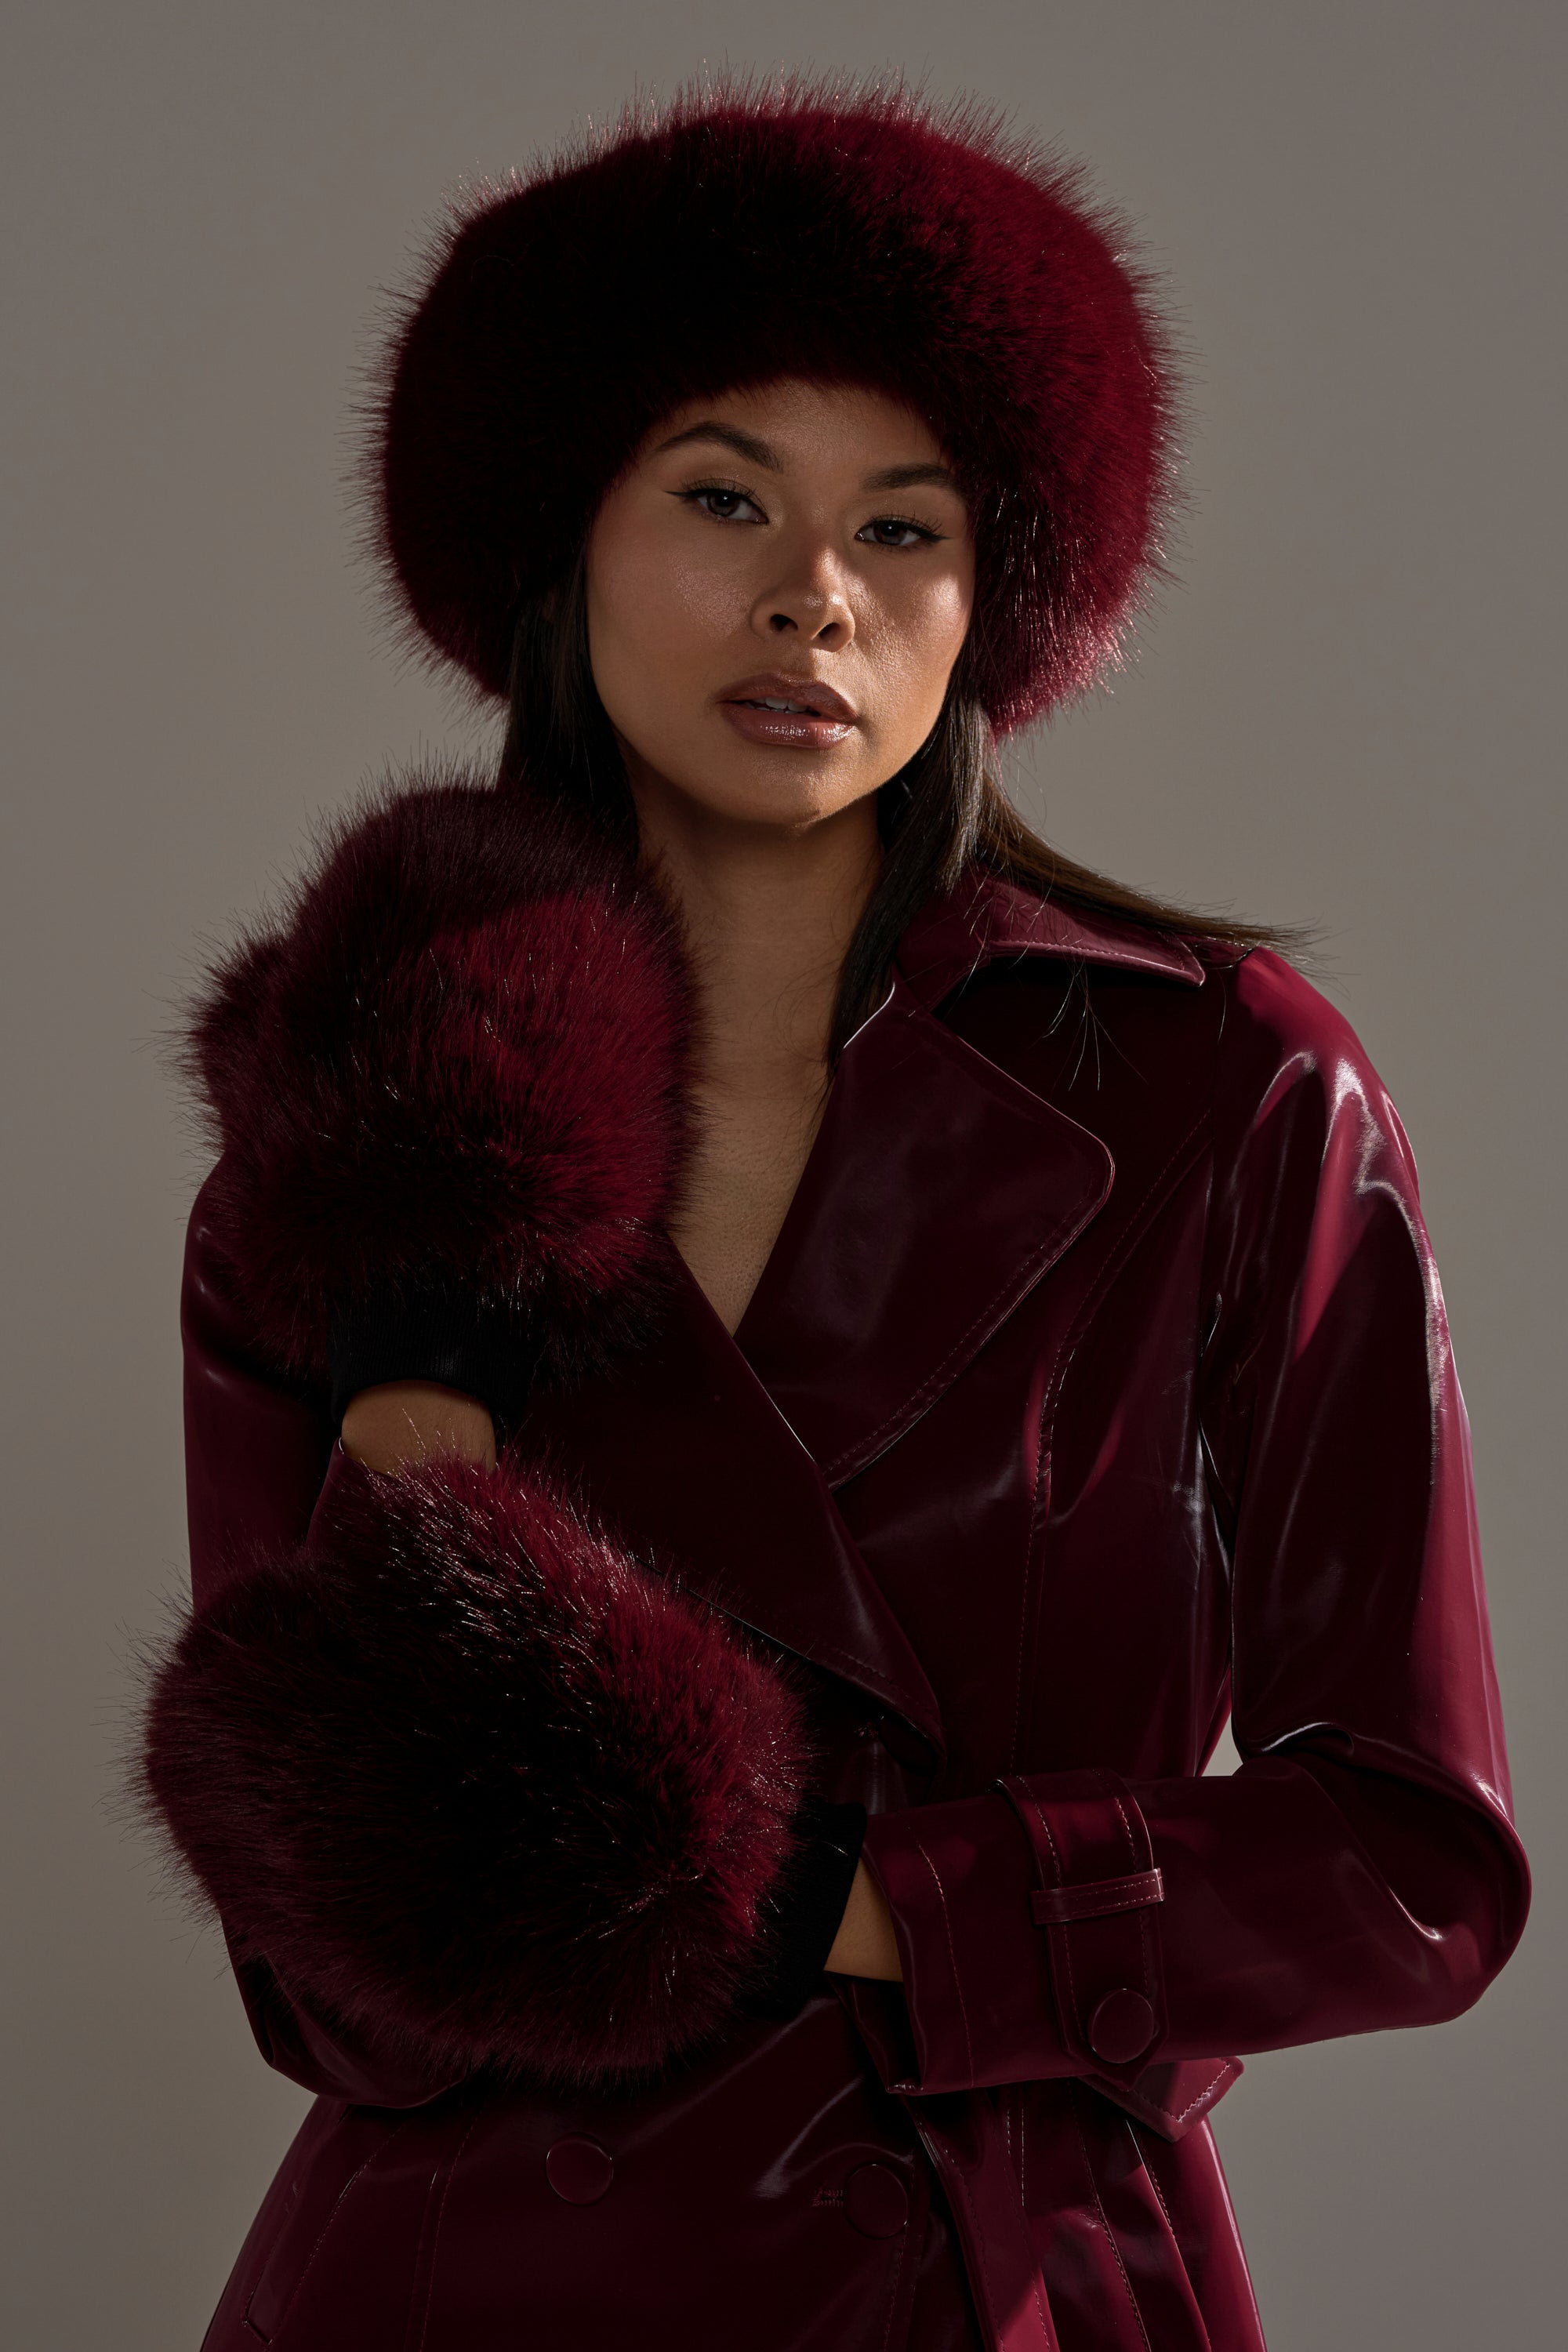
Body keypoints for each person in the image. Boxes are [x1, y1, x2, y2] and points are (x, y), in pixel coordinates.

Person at [140, 84, 1529, 2352]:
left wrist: (842, 1900)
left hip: (1008, 2290)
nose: (816, 593)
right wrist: (414, 1445)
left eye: (907, 527)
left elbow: (1412, 1873)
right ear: (561, 540)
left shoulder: (1235, 1096)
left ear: (999, 600)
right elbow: (342, 2010)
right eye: (724, 497)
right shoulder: (362, 1148)